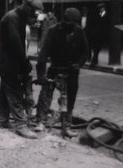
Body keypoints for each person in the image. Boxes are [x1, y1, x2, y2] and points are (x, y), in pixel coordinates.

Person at [0, 0, 44, 139]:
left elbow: (21, 45)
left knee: (6, 89)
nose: (34, 14)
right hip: (7, 61)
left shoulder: (20, 18)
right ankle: (20, 125)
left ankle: (2, 120)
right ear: (26, 6)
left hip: (10, 60)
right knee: (15, 91)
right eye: (33, 11)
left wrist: (24, 61)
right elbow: (16, 45)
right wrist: (25, 63)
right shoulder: (13, 18)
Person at [35, 8, 88, 136]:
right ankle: (41, 122)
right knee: (45, 96)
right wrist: (41, 75)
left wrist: (78, 64)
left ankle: (66, 126)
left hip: (71, 71)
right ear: (63, 20)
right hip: (55, 68)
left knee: (69, 100)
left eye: (73, 24)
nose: (70, 26)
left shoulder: (79, 32)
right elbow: (43, 54)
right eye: (67, 23)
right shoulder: (53, 31)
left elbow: (85, 52)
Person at [89, 3, 110, 67]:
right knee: (96, 48)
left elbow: (107, 25)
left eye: (101, 8)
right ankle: (95, 60)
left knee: (97, 48)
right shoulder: (98, 15)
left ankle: (94, 61)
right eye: (99, 8)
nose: (100, 9)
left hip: (103, 34)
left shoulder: (107, 15)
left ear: (104, 8)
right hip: (97, 34)